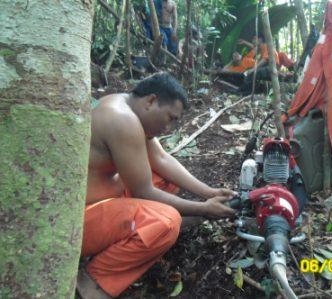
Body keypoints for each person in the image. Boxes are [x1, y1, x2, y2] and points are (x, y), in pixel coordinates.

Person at [76, 73, 236, 298]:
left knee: (165, 179)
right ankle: (92, 282)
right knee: (166, 223)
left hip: (101, 201)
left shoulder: (125, 105)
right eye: (170, 118)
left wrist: (210, 192)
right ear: (151, 101)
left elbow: (161, 160)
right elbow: (144, 191)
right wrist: (203, 209)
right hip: (77, 224)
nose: (169, 128)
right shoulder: (122, 119)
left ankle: (143, 234)